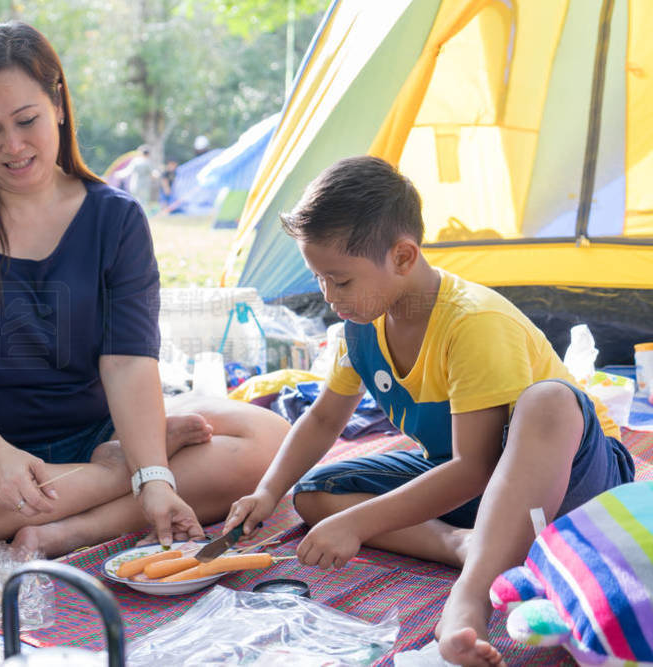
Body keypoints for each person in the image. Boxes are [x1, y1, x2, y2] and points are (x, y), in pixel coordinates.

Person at [0, 21, 289, 561]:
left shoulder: (115, 219)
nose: (13, 146)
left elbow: (127, 363)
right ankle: (114, 479)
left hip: (105, 425)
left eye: (26, 120)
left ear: (57, 103)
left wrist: (152, 470)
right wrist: (7, 460)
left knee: (271, 441)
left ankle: (75, 526)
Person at [223, 156, 635, 667]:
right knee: (315, 496)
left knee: (548, 401)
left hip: (572, 482)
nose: (329, 298)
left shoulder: (473, 322)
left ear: (402, 256)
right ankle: (468, 544)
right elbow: (325, 419)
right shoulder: (363, 325)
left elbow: (475, 466)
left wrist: (360, 523)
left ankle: (471, 593)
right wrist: (268, 492)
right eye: (320, 280)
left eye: (341, 281)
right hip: (474, 485)